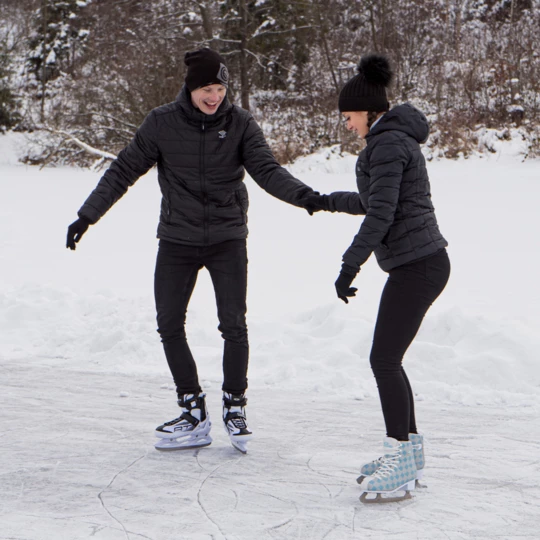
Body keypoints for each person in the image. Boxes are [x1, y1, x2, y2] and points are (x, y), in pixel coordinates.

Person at [66, 48, 316, 454]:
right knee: (168, 323)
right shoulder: (162, 123)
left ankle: (235, 405)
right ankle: (192, 409)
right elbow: (124, 169)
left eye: (219, 88)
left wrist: (307, 197)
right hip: (177, 239)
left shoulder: (240, 124)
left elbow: (267, 170)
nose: (214, 96)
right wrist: (87, 215)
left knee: (233, 324)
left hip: (227, 238)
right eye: (206, 89)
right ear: (190, 87)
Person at [304, 54, 450, 501]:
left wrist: (350, 264)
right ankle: (411, 451)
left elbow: (382, 213)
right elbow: (376, 201)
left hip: (417, 265)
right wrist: (326, 201)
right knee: (389, 360)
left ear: (368, 111)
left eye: (349, 117)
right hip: (420, 262)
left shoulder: (386, 144)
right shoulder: (392, 140)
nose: (347, 125)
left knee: (383, 361)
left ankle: (400, 454)